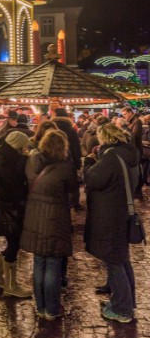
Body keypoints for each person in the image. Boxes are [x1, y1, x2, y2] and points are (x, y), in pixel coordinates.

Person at [83, 122, 140, 323]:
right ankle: (125, 302)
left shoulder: (111, 157)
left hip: (110, 215)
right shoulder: (129, 154)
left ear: (105, 137)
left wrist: (88, 162)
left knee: (114, 261)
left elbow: (93, 179)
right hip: (122, 212)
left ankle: (123, 310)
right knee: (122, 259)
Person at [21, 129, 76, 320]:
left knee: (39, 262)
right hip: (55, 218)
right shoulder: (65, 167)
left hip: (34, 215)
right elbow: (72, 196)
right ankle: (52, 309)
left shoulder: (32, 162)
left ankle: (40, 306)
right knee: (53, 263)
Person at [0, 130, 33, 299]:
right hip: (11, 209)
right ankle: (10, 285)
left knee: (12, 243)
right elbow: (14, 184)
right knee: (14, 244)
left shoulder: (3, 157)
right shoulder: (9, 161)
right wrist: (24, 160)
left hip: (7, 207)